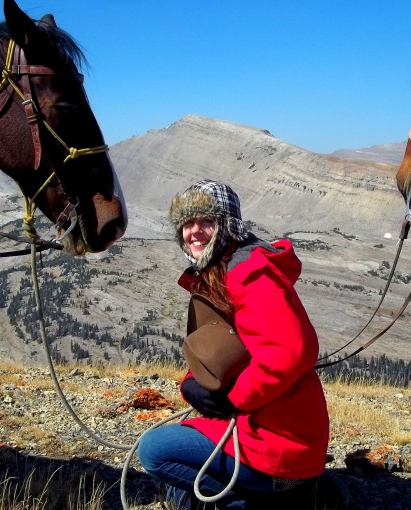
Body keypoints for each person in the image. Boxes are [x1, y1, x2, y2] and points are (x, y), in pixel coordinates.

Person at [137, 179, 330, 509]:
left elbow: (291, 352)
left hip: (280, 446)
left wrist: (231, 399)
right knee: (177, 479)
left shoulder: (247, 274)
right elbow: (220, 351)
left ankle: (260, 501)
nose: (194, 231)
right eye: (187, 223)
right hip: (275, 435)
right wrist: (192, 385)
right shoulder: (225, 270)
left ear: (227, 225)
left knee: (154, 452)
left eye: (206, 221)